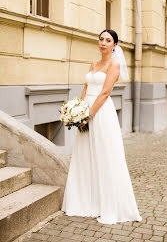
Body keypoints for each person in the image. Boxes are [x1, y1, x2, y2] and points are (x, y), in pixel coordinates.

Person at [61, 30, 142, 225]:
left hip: (101, 113)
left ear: (115, 45)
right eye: (101, 39)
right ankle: (86, 200)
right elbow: (86, 89)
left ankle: (108, 203)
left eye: (108, 40)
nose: (103, 43)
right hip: (86, 112)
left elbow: (105, 93)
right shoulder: (93, 64)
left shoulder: (114, 64)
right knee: (85, 155)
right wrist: (77, 110)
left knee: (104, 155)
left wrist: (89, 115)